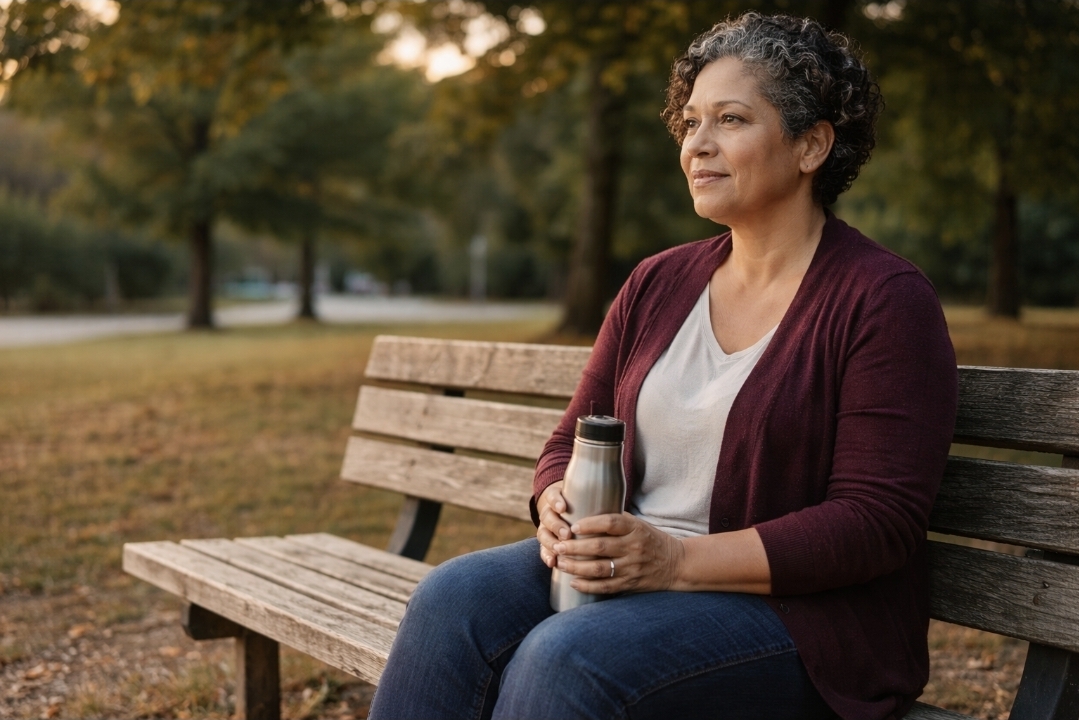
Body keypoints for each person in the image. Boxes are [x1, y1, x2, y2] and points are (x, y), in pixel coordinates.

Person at [369, 12, 958, 720]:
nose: (697, 146)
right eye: (689, 122)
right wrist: (555, 501)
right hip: (630, 574)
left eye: (730, 120)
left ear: (810, 145)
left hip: (800, 623)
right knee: (452, 598)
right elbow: (569, 442)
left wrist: (675, 562)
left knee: (569, 657)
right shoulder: (657, 282)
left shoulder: (882, 300)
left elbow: (875, 521)